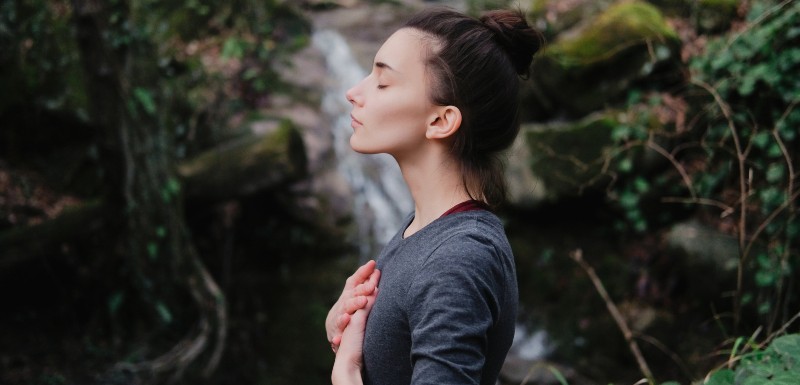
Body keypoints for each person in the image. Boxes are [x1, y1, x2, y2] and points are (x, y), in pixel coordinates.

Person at [325, 6, 544, 385]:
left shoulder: (459, 257)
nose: (353, 92)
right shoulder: (424, 231)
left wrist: (346, 373)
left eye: (382, 82)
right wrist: (343, 329)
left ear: (441, 121)